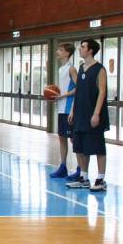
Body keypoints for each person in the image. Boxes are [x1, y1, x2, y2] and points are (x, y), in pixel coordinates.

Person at [65, 39, 109, 192]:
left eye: (82, 47)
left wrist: (96, 114)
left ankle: (101, 179)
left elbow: (102, 92)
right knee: (79, 147)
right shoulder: (81, 68)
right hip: (80, 114)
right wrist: (72, 110)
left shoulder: (100, 69)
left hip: (93, 115)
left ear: (90, 50)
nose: (80, 49)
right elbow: (79, 91)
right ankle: (83, 177)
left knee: (98, 148)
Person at [48, 43, 81, 181]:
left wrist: (64, 96)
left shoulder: (71, 69)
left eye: (60, 50)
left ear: (67, 53)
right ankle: (63, 167)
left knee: (74, 139)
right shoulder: (61, 68)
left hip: (69, 109)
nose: (57, 52)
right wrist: (55, 97)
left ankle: (80, 169)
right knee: (62, 138)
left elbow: (79, 88)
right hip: (61, 108)